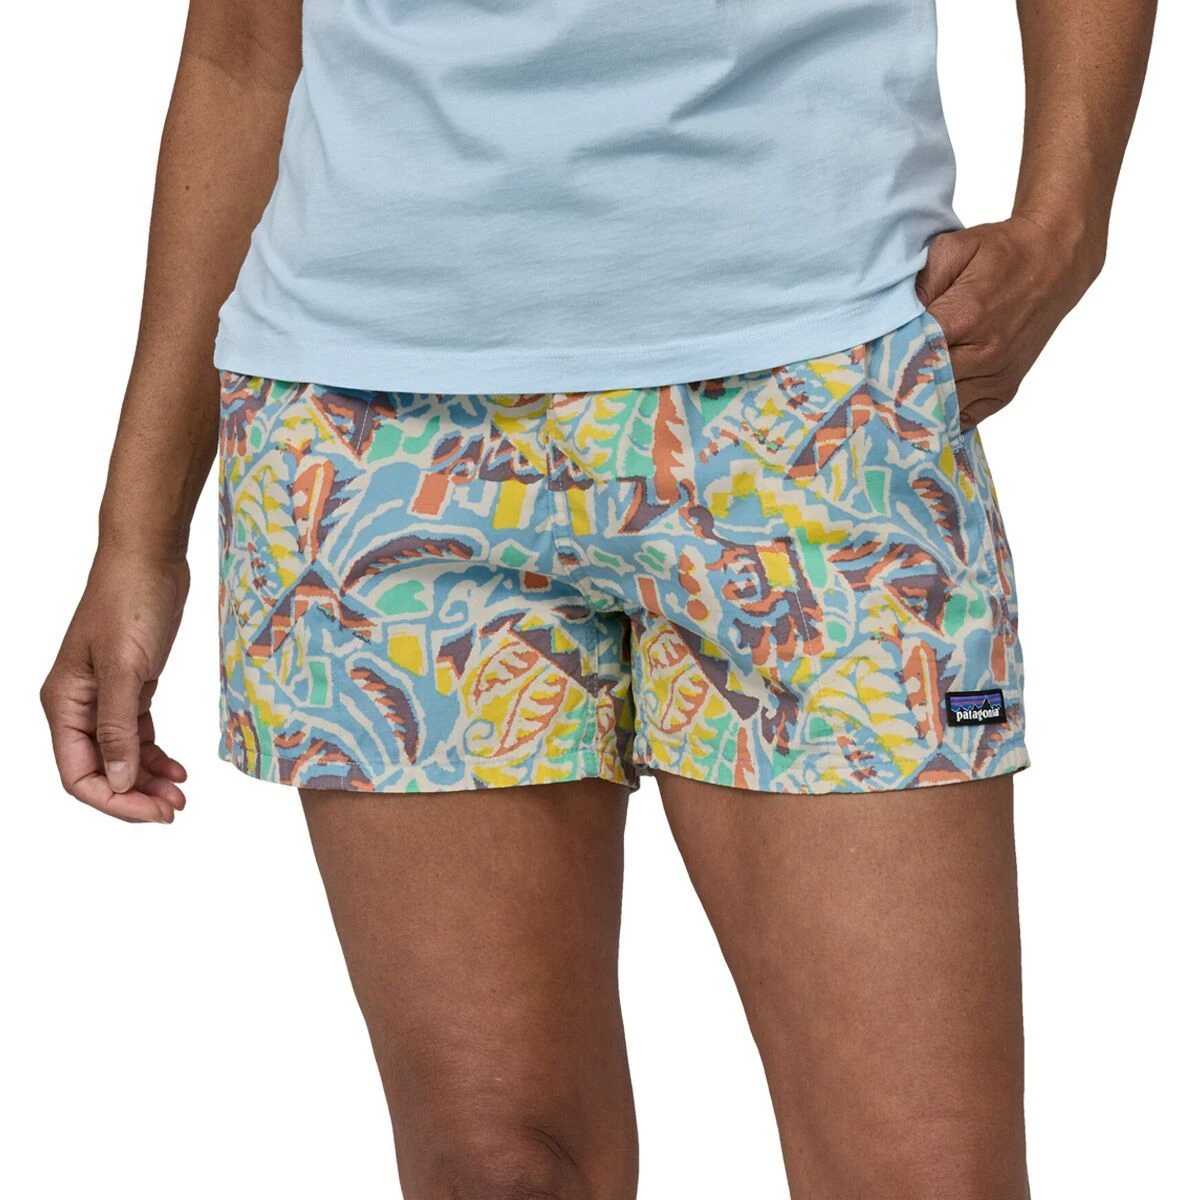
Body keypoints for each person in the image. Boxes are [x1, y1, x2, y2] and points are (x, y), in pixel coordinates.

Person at [40, 0, 1154, 1195]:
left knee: (925, 1174)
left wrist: (1067, 223)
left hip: (815, 392)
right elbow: (247, 46)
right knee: (497, 1168)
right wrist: (136, 535)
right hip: (376, 431)